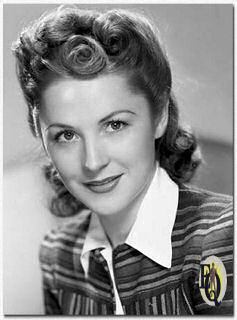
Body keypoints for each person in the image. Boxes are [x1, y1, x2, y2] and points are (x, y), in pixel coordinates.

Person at [12, 5, 233, 315]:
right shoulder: (57, 256)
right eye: (66, 135)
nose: (93, 161)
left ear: (160, 116)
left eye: (115, 125)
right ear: (41, 135)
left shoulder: (224, 237)